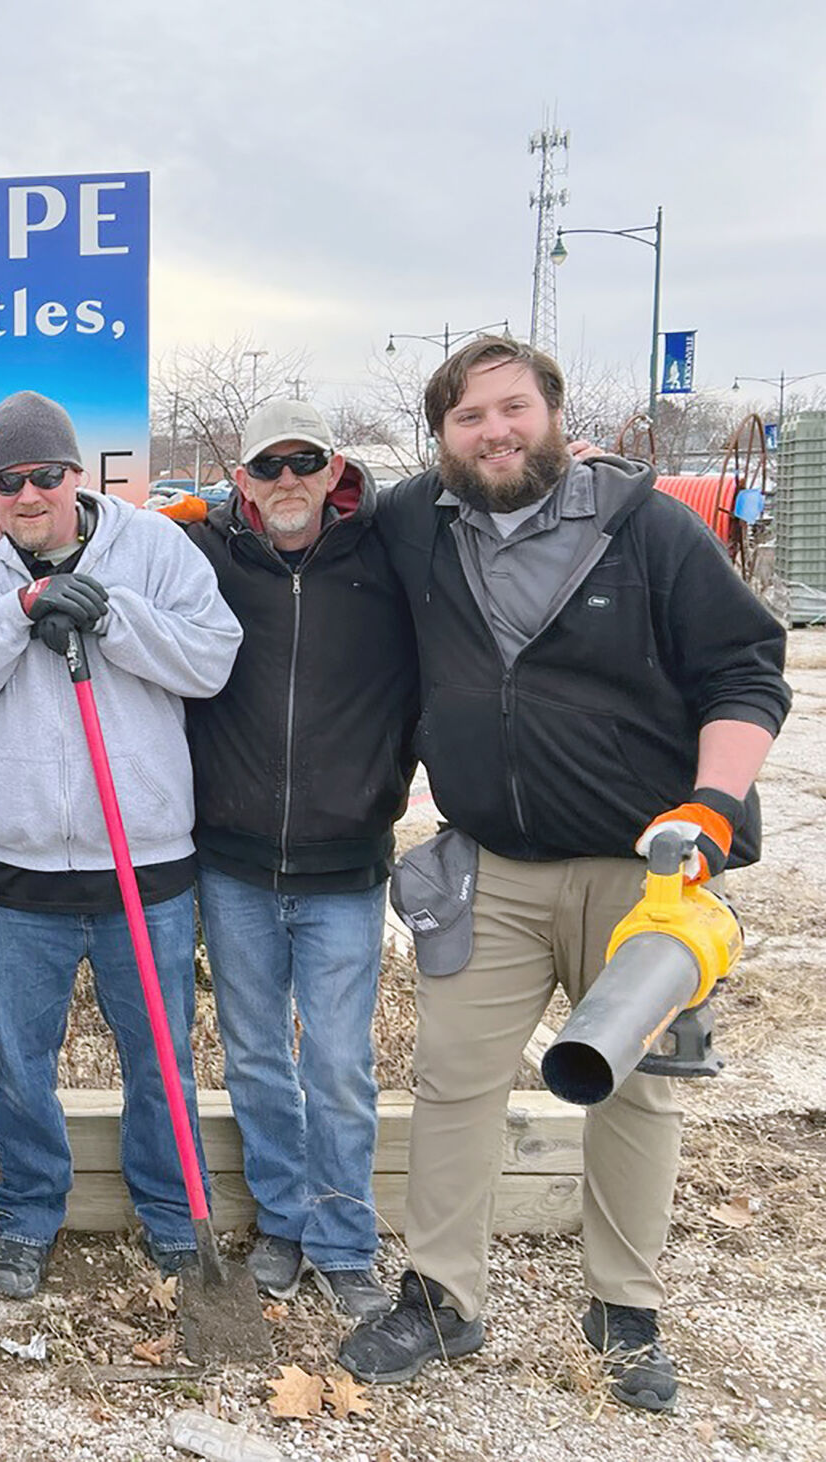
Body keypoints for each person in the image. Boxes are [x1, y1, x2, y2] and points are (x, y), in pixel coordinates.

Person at [340, 337, 790, 1411]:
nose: (493, 432)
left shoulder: (644, 528)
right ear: (439, 436)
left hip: (646, 876)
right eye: (468, 417)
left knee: (634, 1090)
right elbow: (309, 503)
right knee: (451, 1082)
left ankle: (620, 1312)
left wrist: (711, 807)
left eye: (512, 410)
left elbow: (744, 669)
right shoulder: (418, 523)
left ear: (551, 414)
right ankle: (442, 1297)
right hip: (489, 868)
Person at [0, 390, 243, 1299]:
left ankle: (176, 1218)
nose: (28, 494)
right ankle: (26, 1214)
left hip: (145, 862)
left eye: (44, 475)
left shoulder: (153, 547)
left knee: (160, 1057)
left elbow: (212, 659)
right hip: (16, 872)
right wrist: (16, 611)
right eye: (7, 480)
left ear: (76, 474)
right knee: (20, 1063)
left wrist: (112, 617)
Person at [182, 399, 416, 1321]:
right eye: (266, 466)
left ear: (334, 470)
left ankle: (345, 1238)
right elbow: (101, 530)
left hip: (345, 870)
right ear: (241, 479)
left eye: (302, 463)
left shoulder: (387, 557)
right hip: (233, 865)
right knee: (254, 1058)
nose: (286, 481)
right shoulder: (208, 556)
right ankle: (282, 1220)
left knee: (341, 1066)